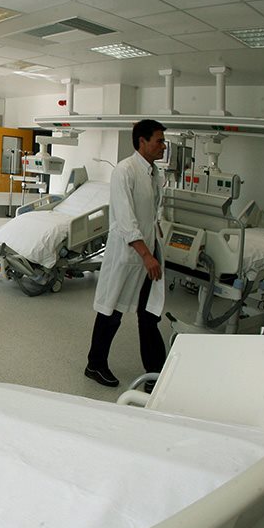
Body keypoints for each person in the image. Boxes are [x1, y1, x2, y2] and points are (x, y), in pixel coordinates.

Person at [84, 119, 167, 392]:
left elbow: (150, 215)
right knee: (112, 311)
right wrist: (146, 255)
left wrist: (154, 251)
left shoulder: (154, 174)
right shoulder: (125, 171)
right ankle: (95, 364)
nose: (163, 146)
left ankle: (155, 376)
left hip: (148, 255)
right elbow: (125, 219)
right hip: (129, 256)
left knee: (149, 315)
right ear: (142, 141)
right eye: (159, 140)